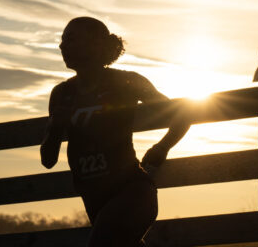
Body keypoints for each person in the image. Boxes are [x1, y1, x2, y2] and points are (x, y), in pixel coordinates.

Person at [40, 17, 190, 247]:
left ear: (97, 44)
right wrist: (54, 128)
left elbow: (182, 114)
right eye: (62, 40)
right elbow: (48, 160)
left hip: (133, 193)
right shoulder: (61, 93)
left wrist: (162, 148)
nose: (62, 46)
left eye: (71, 39)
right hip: (94, 200)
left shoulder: (127, 82)